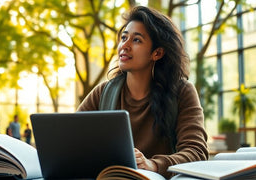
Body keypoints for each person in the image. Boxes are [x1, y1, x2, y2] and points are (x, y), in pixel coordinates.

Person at [77, 6, 208, 178]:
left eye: (136, 40)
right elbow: (73, 140)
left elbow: (197, 152)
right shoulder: (103, 92)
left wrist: (153, 164)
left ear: (157, 53)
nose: (125, 45)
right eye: (124, 37)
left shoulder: (182, 92)